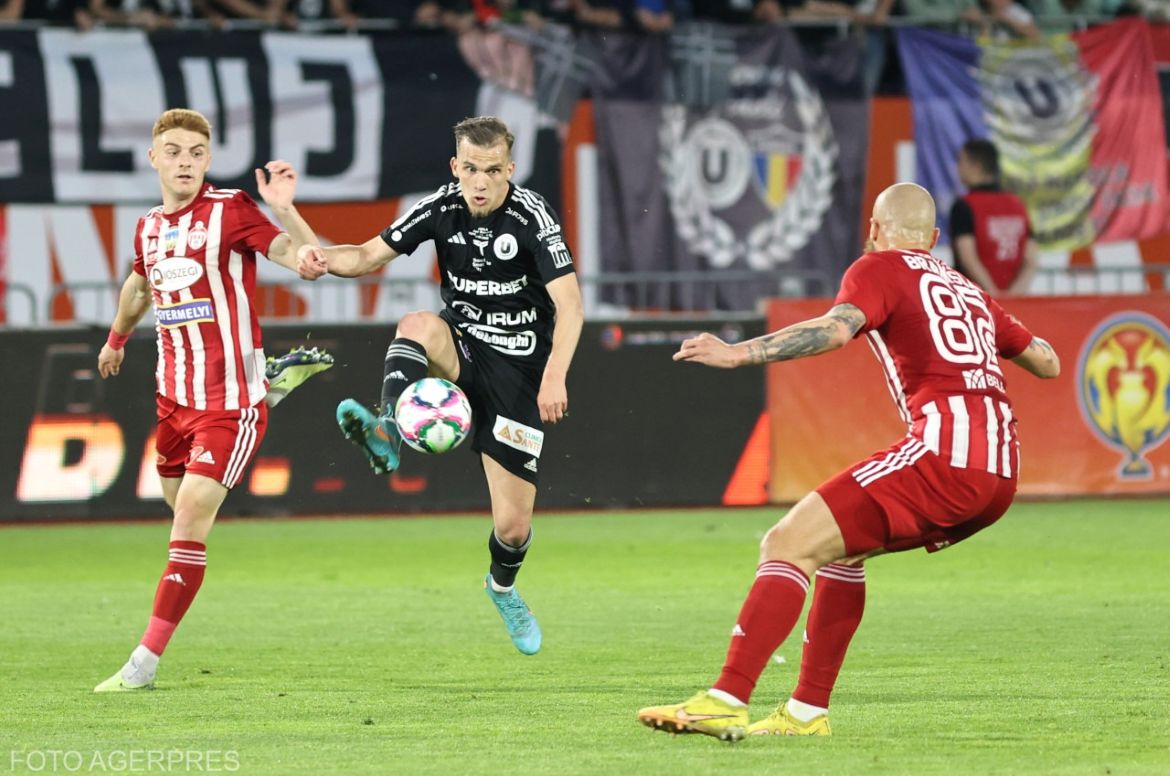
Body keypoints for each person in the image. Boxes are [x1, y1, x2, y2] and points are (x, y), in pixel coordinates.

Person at [637, 182, 1060, 740]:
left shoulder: (877, 266)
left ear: (875, 230)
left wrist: (742, 352)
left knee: (786, 543)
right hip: (1001, 472)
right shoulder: (970, 292)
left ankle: (726, 697)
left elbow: (834, 330)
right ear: (934, 239)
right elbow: (1048, 362)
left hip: (944, 456)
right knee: (842, 554)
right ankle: (807, 713)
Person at [293, 116, 584, 656]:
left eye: (492, 171)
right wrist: (321, 260)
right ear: (456, 166)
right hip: (463, 349)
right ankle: (387, 433)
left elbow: (570, 304)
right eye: (470, 169)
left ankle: (502, 589)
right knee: (419, 324)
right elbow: (364, 256)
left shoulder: (532, 217)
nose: (480, 182)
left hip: (518, 375)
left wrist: (554, 375)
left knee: (514, 528)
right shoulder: (440, 206)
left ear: (509, 170)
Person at [93, 108, 332, 692]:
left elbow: (291, 255)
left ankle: (143, 664)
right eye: (173, 151)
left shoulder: (229, 211)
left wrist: (292, 227)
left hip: (229, 403)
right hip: (173, 400)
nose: (185, 162)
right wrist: (116, 338)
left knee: (192, 519)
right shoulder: (148, 226)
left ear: (208, 159)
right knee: (177, 509)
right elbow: (140, 285)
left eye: (196, 153)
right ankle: (271, 378)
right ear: (154, 158)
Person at [950, 139, 1040, 297]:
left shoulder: (964, 206)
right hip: (1012, 305)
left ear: (975, 165)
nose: (958, 168)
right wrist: (1012, 297)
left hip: (972, 302)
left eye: (961, 161)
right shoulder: (1018, 205)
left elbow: (968, 258)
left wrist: (993, 295)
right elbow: (1031, 260)